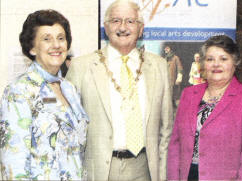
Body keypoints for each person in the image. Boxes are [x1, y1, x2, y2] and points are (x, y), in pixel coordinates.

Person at [66, 1, 173, 181]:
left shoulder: (159, 66)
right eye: (116, 20)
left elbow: (166, 129)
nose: (123, 27)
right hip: (99, 171)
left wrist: (162, 176)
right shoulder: (81, 67)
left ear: (141, 29)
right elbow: (67, 128)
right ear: (106, 28)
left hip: (145, 169)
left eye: (130, 21)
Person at [0, 9, 89, 180]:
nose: (56, 45)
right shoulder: (19, 91)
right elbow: (13, 163)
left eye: (61, 38)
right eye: (46, 39)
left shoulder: (70, 90)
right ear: (32, 48)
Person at [167, 35, 242, 180]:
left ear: (235, 62)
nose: (216, 64)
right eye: (210, 59)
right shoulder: (189, 94)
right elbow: (175, 146)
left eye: (223, 59)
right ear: (202, 64)